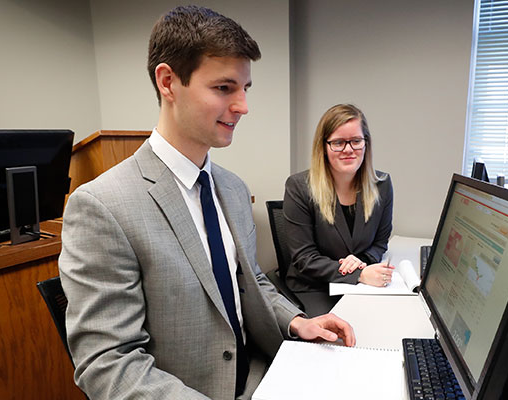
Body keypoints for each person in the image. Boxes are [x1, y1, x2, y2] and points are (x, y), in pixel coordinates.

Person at [58, 6, 355, 400]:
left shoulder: (231, 188)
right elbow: (109, 364)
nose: (243, 106)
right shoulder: (102, 206)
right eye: (223, 88)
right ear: (168, 82)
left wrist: (297, 321)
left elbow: (248, 281)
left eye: (245, 89)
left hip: (264, 374)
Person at [283, 104, 394, 317]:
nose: (348, 149)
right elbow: (304, 258)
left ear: (366, 144)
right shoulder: (299, 186)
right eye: (338, 142)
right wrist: (359, 274)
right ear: (323, 147)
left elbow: (380, 243)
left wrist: (362, 261)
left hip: (361, 287)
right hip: (314, 288)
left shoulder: (382, 184)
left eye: (356, 141)